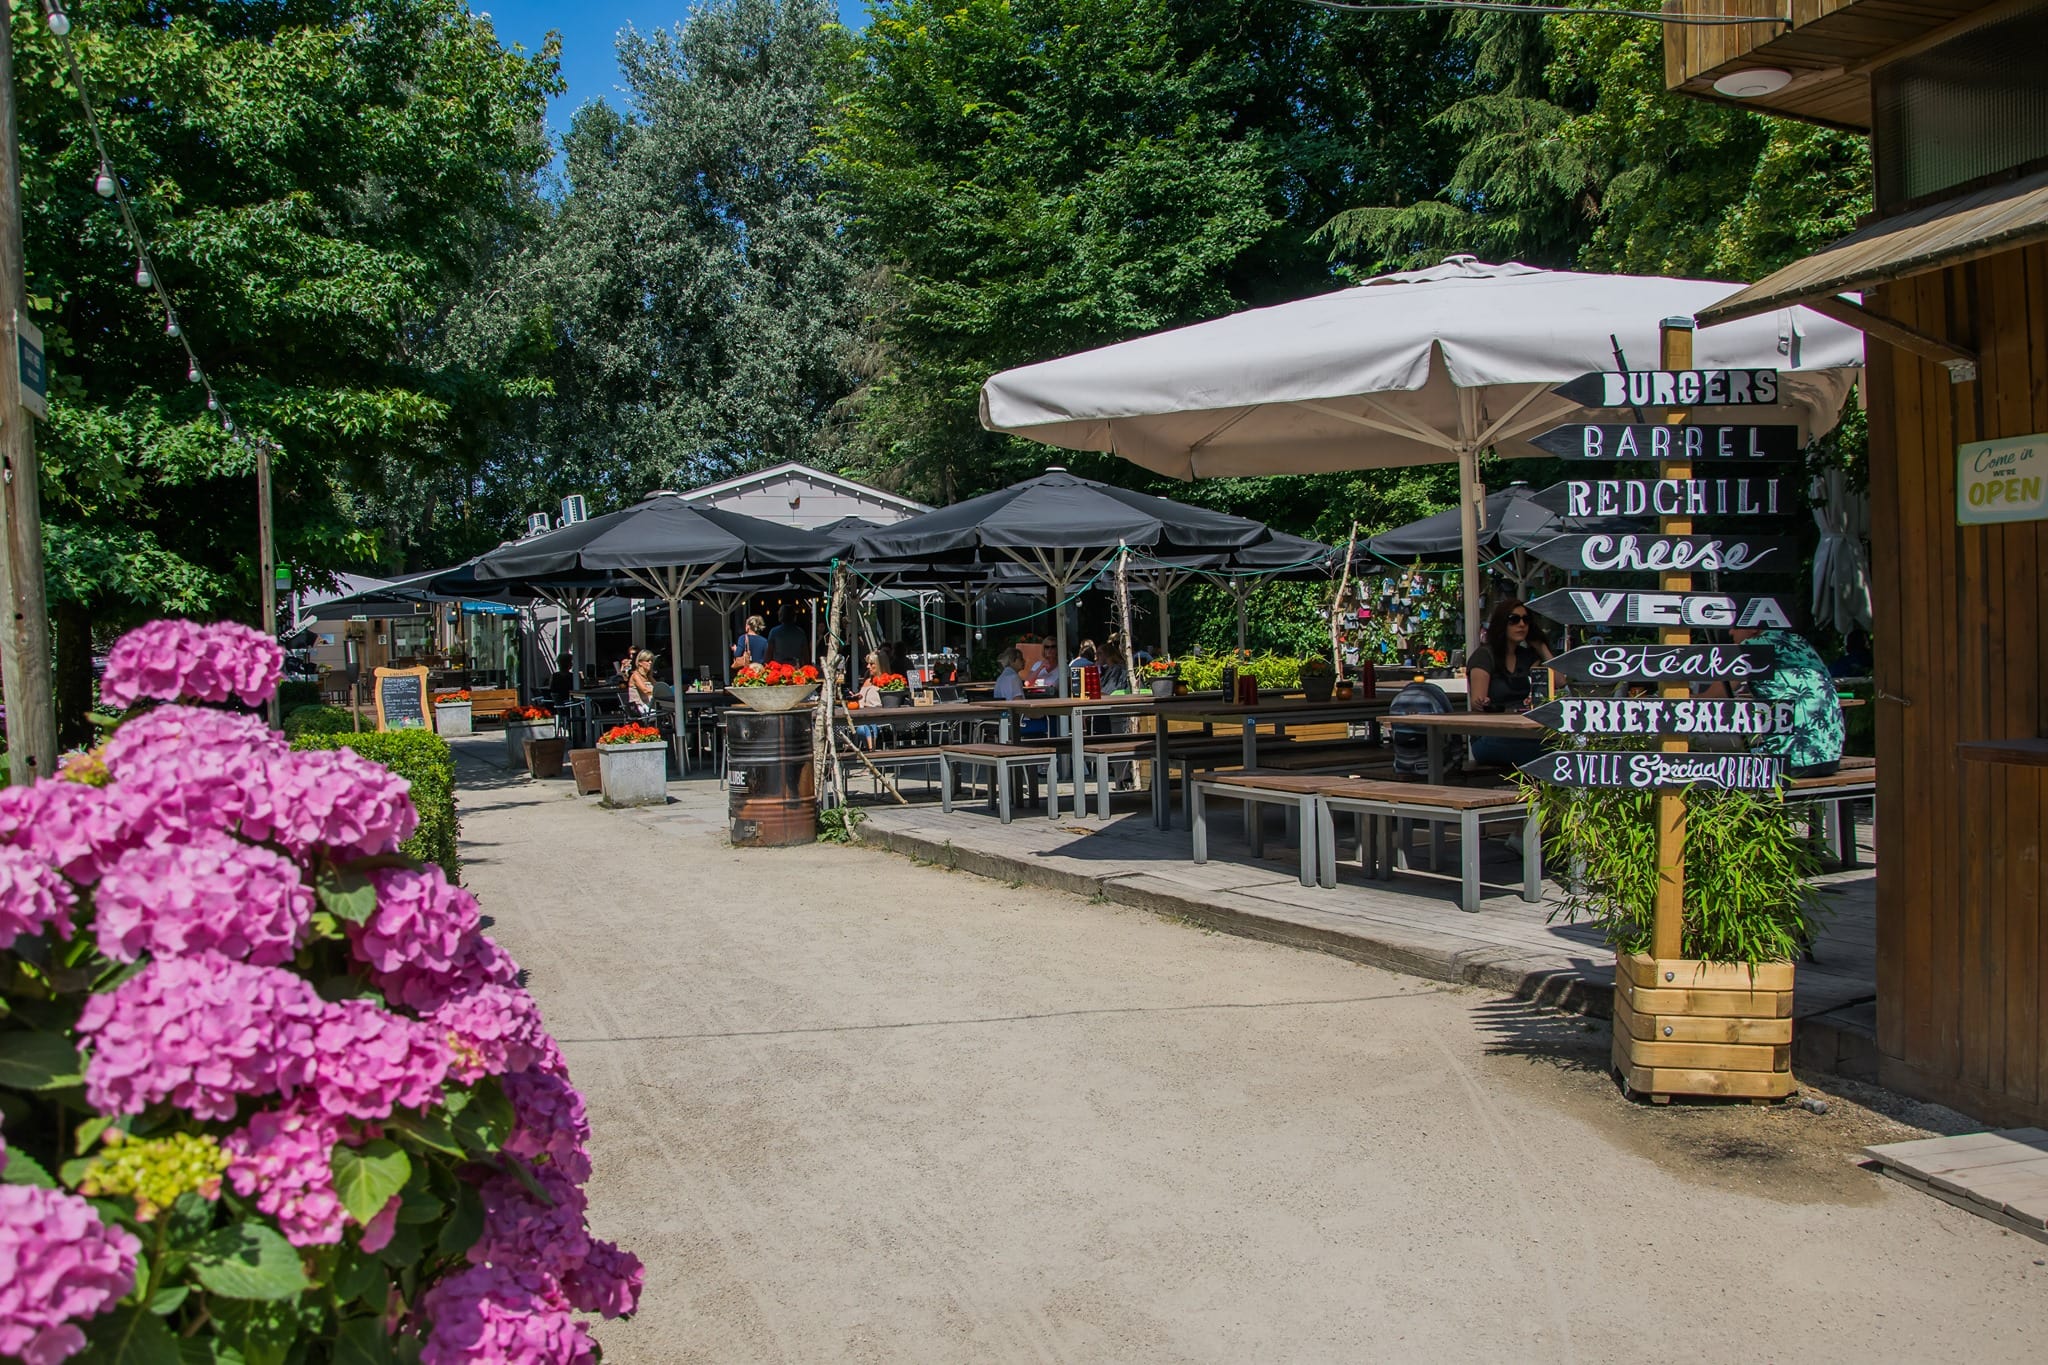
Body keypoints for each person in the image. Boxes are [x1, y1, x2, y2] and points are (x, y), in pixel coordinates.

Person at [1736, 625, 1844, 777]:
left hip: (1788, 762)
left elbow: (1716, 694)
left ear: (1753, 628)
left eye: (1734, 627)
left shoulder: (1752, 646)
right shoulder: (1799, 641)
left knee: (1714, 739)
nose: (1730, 632)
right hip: (1830, 759)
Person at [1465, 598, 1553, 769]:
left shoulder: (1526, 657)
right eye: (1514, 620)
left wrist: (1542, 647)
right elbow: (1477, 703)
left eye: (1526, 620)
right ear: (1502, 624)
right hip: (1490, 736)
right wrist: (1485, 703)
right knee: (1551, 754)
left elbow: (1559, 680)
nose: (1521, 625)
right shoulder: (1484, 656)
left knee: (1555, 749)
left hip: (1524, 732)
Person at [625, 650, 657, 715]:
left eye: (651, 660)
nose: (650, 662)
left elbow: (658, 687)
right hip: (638, 708)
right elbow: (645, 690)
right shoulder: (635, 675)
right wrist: (658, 692)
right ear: (640, 662)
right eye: (647, 660)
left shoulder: (649, 676)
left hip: (649, 706)